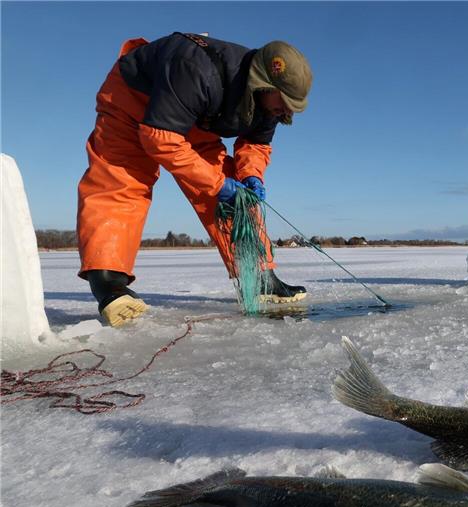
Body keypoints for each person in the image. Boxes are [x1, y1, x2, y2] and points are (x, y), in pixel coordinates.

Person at [76, 32, 313, 327]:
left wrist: (251, 176)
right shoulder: (198, 69)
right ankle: (109, 285)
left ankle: (259, 277)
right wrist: (216, 184)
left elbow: (255, 145)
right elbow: (160, 140)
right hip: (133, 101)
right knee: (121, 179)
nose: (287, 111)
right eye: (285, 102)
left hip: (194, 118)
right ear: (263, 82)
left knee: (236, 199)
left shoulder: (268, 105)